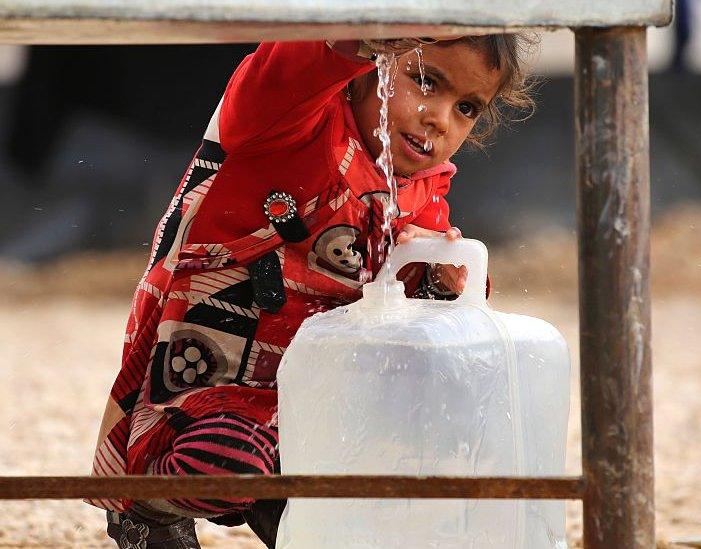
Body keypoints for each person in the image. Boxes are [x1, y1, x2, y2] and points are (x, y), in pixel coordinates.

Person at [87, 35, 536, 548]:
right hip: (212, 374)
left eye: (467, 108)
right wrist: (362, 29)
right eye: (426, 81)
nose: (440, 119)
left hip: (311, 402)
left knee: (356, 519)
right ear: (374, 64)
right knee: (224, 464)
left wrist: (439, 277)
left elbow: (416, 321)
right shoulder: (284, 121)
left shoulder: (421, 194)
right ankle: (148, 503)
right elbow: (293, 62)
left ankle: (280, 499)